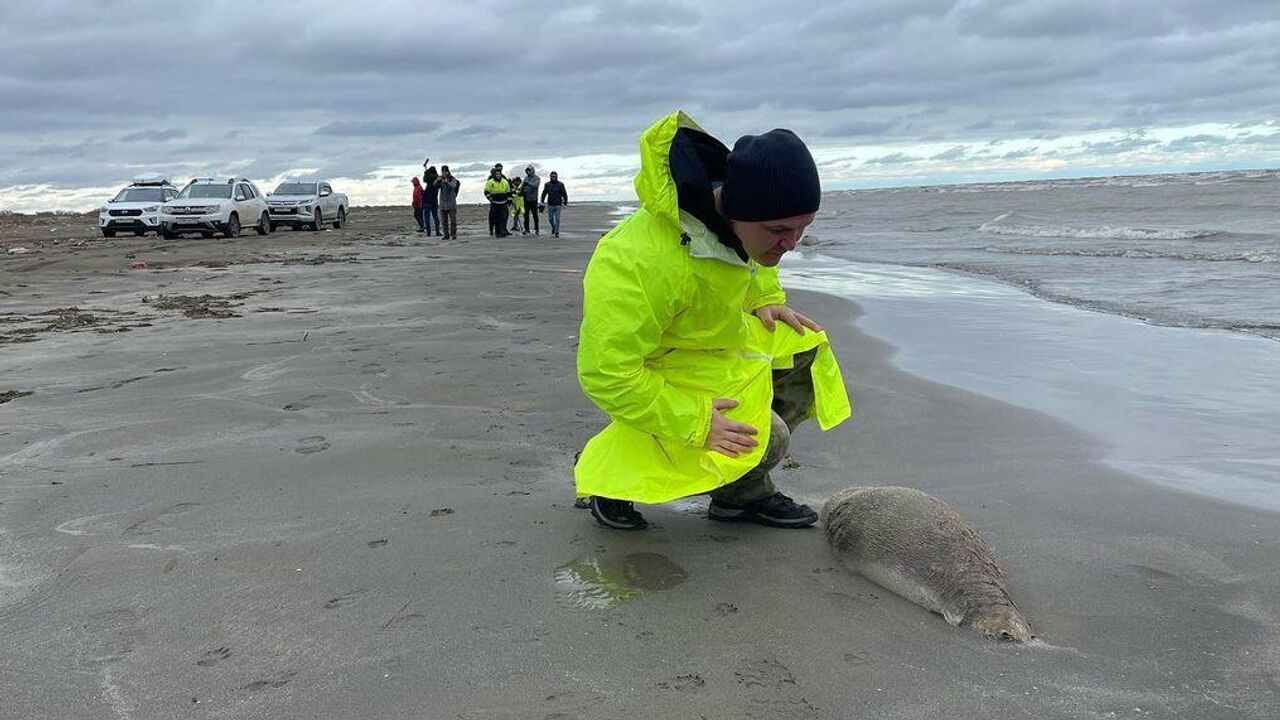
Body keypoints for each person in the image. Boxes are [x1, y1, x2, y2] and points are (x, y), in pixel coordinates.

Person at [574, 111, 851, 530]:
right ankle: (612, 480)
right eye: (780, 230)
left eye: (802, 228)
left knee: (805, 349)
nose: (792, 245)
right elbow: (607, 373)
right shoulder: (636, 260)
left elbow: (754, 263)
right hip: (661, 364)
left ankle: (739, 494)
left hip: (712, 342)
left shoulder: (742, 225)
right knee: (769, 437)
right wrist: (696, 422)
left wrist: (766, 299)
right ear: (735, 211)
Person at [483, 166, 512, 237]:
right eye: (497, 174)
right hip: (495, 203)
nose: (498, 175)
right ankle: (497, 232)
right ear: (494, 175)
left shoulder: (505, 182)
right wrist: (490, 198)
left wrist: (509, 200)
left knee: (503, 217)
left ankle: (502, 231)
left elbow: (508, 192)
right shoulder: (490, 182)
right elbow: (486, 191)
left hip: (503, 202)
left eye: (499, 174)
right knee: (495, 218)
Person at [540, 171, 567, 237]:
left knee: (557, 219)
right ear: (550, 177)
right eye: (552, 176)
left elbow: (564, 194)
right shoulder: (547, 184)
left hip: (558, 204)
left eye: (554, 176)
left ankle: (557, 232)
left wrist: (565, 203)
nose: (553, 178)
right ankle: (554, 228)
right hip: (550, 204)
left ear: (556, 177)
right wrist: (542, 201)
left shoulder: (560, 184)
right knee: (550, 218)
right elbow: (544, 193)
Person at [437, 165, 461, 240]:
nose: (443, 173)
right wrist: (438, 180)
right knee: (444, 221)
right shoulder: (440, 179)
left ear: (448, 172)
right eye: (442, 172)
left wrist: (447, 182)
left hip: (451, 204)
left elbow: (453, 186)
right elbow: (434, 185)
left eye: (445, 172)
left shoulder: (452, 179)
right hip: (443, 204)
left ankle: (453, 234)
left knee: (453, 220)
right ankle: (446, 234)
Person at [421, 165, 441, 236]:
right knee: (435, 217)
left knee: (427, 217)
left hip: (427, 200)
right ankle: (437, 231)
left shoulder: (428, 177)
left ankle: (428, 232)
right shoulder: (438, 178)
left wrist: (426, 172)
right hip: (434, 200)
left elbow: (424, 179)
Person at [521, 165, 541, 235]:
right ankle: (527, 229)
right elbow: (522, 186)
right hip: (526, 199)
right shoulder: (525, 178)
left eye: (529, 170)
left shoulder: (537, 178)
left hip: (533, 199)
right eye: (527, 171)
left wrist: (528, 183)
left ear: (532, 170)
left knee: (535, 215)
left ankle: (537, 229)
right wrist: (522, 188)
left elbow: (536, 186)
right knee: (525, 215)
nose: (528, 172)